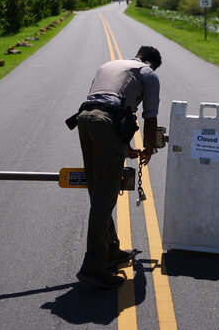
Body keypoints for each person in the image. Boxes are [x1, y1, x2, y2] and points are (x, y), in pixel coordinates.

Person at [71, 46, 162, 288]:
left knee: (97, 190)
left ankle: (111, 250)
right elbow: (150, 117)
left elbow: (106, 105)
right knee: (105, 196)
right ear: (152, 63)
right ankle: (93, 265)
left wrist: (125, 145)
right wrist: (149, 148)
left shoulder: (108, 66)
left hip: (85, 120)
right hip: (107, 124)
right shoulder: (148, 74)